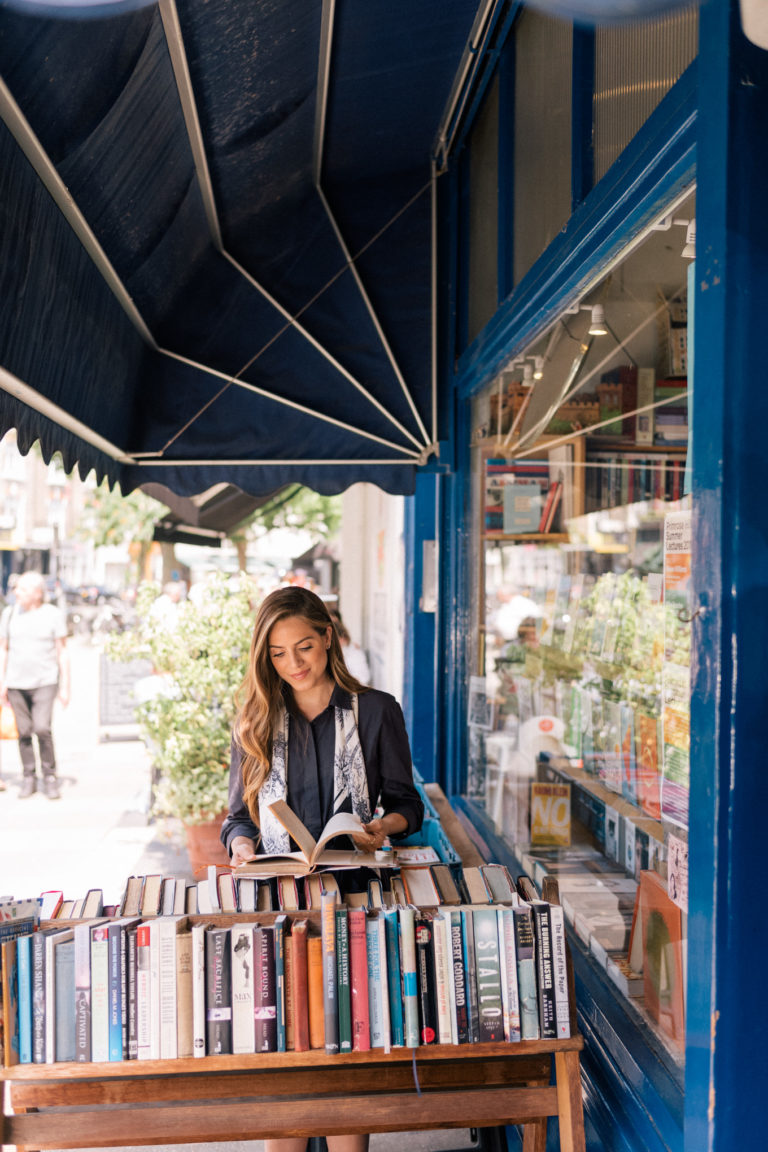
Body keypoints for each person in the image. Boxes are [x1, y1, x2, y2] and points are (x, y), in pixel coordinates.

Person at [221, 587, 422, 1152]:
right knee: (284, 1062)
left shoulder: (376, 711)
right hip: (279, 909)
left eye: (304, 646)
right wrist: (240, 846)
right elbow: (237, 819)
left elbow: (409, 805)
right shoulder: (257, 719)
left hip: (353, 908)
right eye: (279, 654)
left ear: (327, 636)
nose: (295, 664)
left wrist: (384, 827)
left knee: (344, 1060)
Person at [0, 570, 70, 799]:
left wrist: (66, 685)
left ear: (37, 593)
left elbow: (62, 652)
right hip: (16, 682)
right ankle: (29, 776)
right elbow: (3, 649)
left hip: (45, 681)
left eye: (22, 589)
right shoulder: (10, 614)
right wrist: (2, 681)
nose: (16, 592)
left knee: (42, 727)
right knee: (24, 731)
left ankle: (50, 775)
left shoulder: (52, 615)